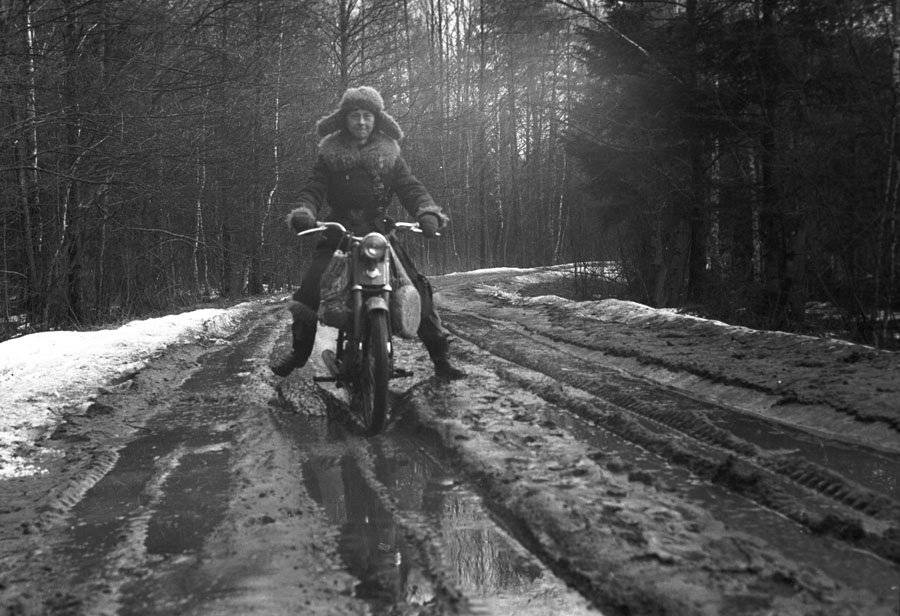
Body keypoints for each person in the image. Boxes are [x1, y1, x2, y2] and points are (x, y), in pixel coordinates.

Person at [271, 85, 465, 380]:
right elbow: (313, 189)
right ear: (344, 120)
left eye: (367, 116)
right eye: (355, 116)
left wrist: (427, 212)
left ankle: (441, 359)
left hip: (379, 233)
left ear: (377, 120)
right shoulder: (329, 155)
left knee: (416, 287)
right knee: (311, 288)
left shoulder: (391, 155)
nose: (361, 122)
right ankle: (298, 354)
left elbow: (411, 188)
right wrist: (304, 213)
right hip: (339, 233)